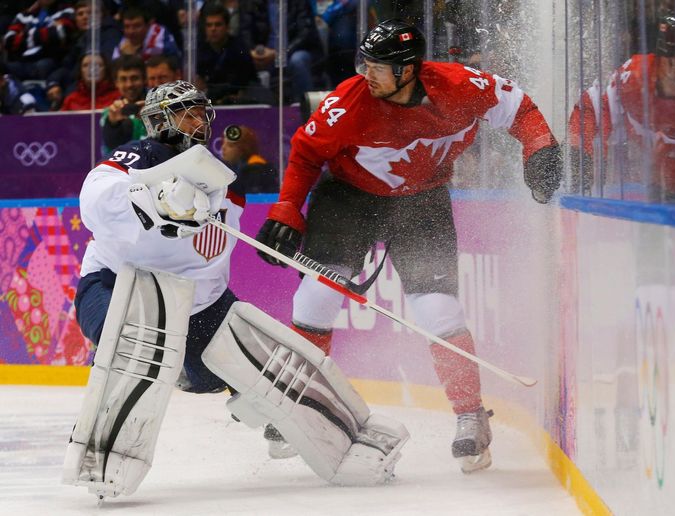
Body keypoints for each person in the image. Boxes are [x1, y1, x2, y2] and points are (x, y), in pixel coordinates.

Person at [64, 79, 409, 499]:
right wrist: (154, 203)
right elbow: (96, 199)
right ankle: (102, 461)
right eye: (183, 113)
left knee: (275, 368)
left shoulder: (224, 183)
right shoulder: (139, 156)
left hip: (198, 303)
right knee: (132, 348)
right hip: (116, 285)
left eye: (198, 112)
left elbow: (209, 258)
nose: (195, 121)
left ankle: (345, 440)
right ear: (158, 121)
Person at [255, 19, 562, 472]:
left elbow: (520, 109)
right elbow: (305, 152)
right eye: (365, 63)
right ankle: (296, 400)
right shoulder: (348, 102)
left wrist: (540, 147)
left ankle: (470, 416)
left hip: (423, 199)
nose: (367, 73)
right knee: (318, 294)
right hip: (349, 197)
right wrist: (286, 208)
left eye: (378, 66)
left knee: (438, 310)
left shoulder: (461, 86)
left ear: (408, 70)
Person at [567, 12, 675, 203]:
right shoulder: (634, 78)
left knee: (667, 189)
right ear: (663, 61)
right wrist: (586, 156)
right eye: (671, 61)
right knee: (583, 170)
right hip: (609, 119)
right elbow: (594, 110)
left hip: (651, 135)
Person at [100, 55, 147, 154]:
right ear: (116, 82)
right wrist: (112, 125)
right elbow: (111, 149)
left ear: (144, 79)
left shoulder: (157, 108)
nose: (129, 84)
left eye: (134, 78)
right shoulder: (109, 113)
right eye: (123, 79)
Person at [220, 124, 279, 193]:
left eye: (230, 145)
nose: (223, 148)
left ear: (243, 148)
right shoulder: (234, 168)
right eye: (223, 143)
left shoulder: (255, 170)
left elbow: (253, 200)